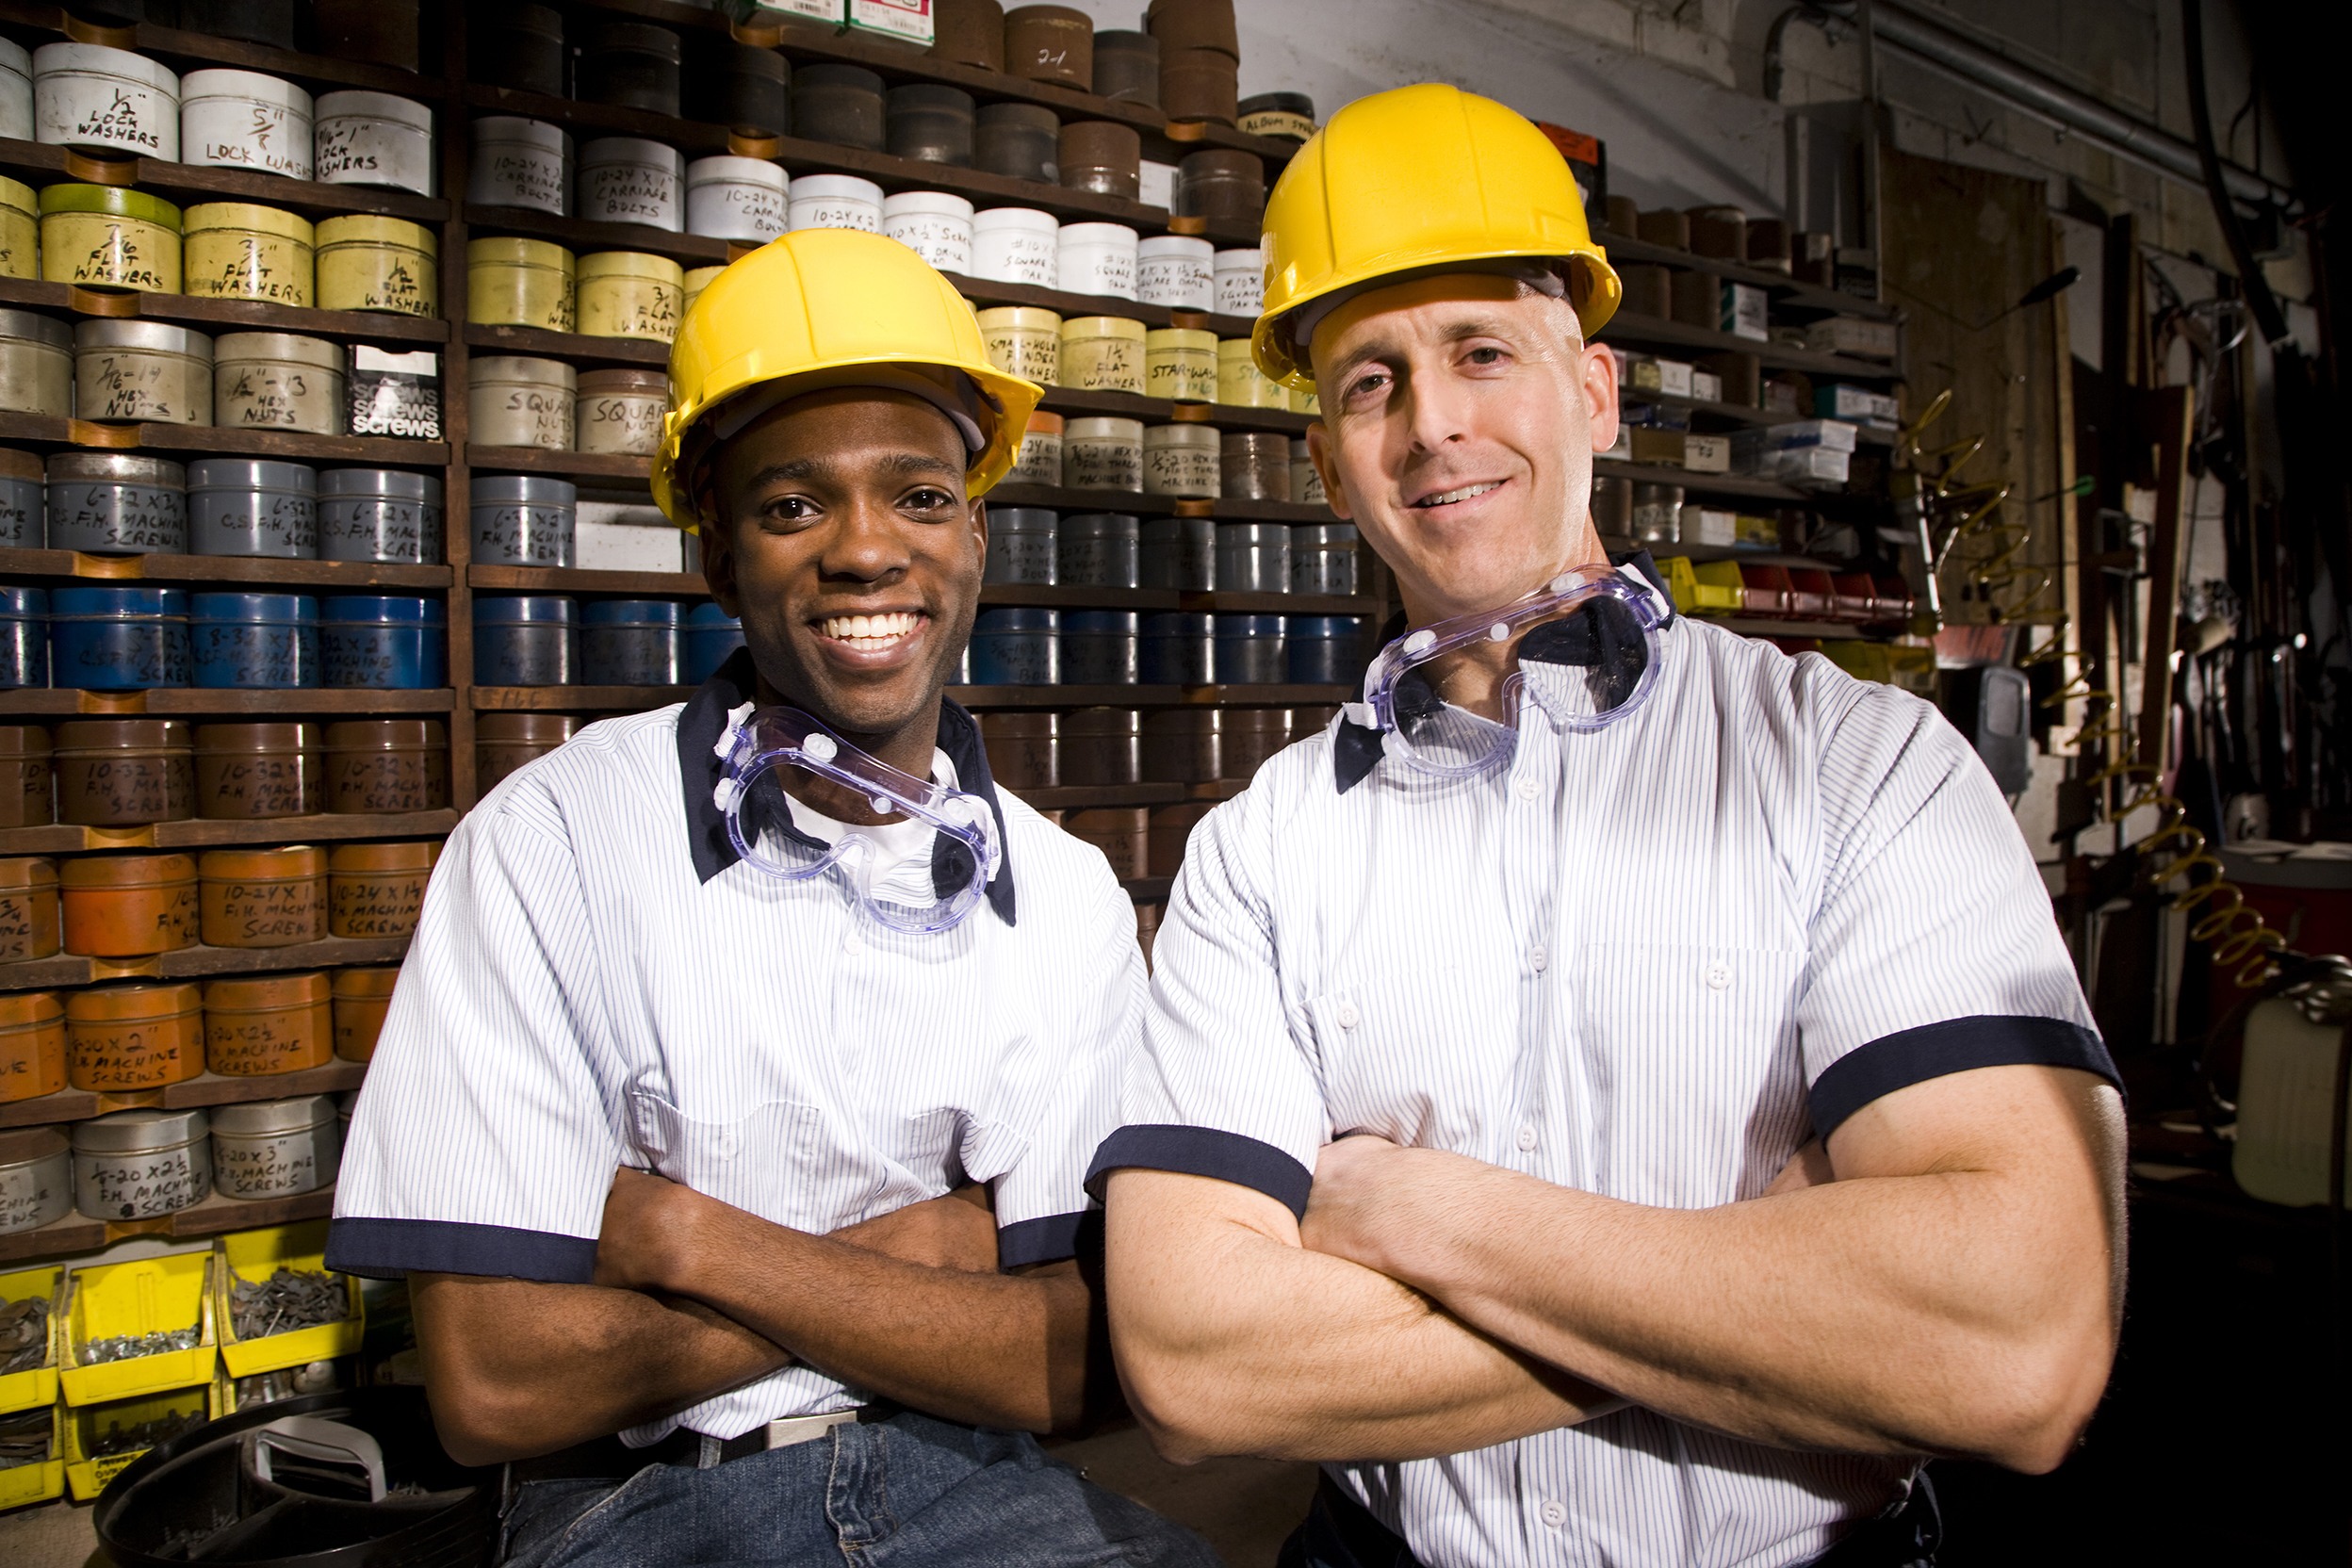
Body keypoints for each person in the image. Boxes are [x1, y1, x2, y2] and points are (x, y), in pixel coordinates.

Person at [1086, 83, 2123, 1568]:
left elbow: (2014, 1346)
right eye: (1369, 383)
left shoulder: (1857, 766)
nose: (1432, 422)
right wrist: (1785, 1307)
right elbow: (1196, 1366)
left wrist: (1396, 1203)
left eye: (1483, 353)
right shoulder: (1265, 853)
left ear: (1597, 396)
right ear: (1327, 468)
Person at [326, 229, 1215, 1568]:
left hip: (979, 1484)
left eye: (919, 497)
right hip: (644, 1509)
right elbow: (499, 1385)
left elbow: (1079, 1373)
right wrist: (931, 1255)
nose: (867, 552)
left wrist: (689, 1238)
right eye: (794, 507)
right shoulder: (549, 845)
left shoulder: (1070, 898)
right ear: (716, 558)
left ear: (974, 536)